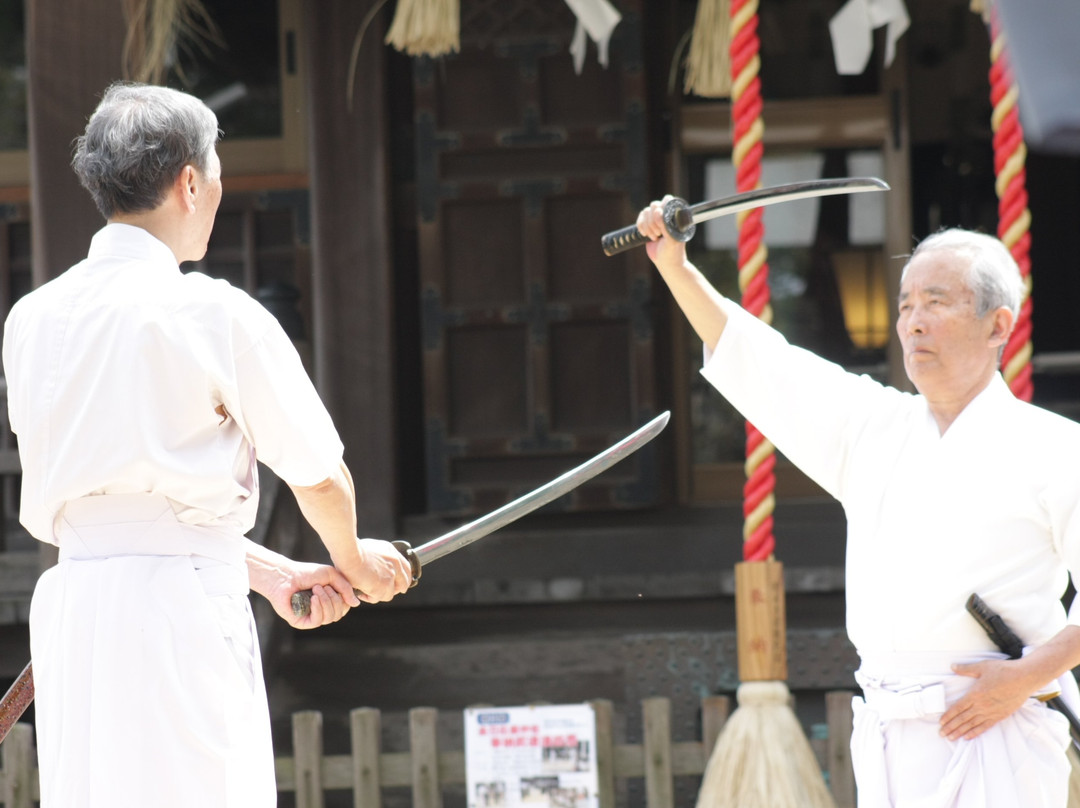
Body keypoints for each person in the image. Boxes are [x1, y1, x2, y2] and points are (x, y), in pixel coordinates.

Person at [1, 82, 413, 808]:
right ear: (189, 182)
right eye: (216, 169)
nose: (219, 186)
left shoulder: (32, 319)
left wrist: (275, 573)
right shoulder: (211, 312)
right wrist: (355, 561)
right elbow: (318, 477)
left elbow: (122, 503)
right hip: (175, 609)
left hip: (77, 609)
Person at [636, 198, 1080, 807]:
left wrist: (1027, 677)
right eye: (905, 305)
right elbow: (766, 363)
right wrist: (676, 267)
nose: (913, 321)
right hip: (890, 731)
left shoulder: (1055, 446)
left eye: (936, 302)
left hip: (997, 727)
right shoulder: (874, 426)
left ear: (998, 325)